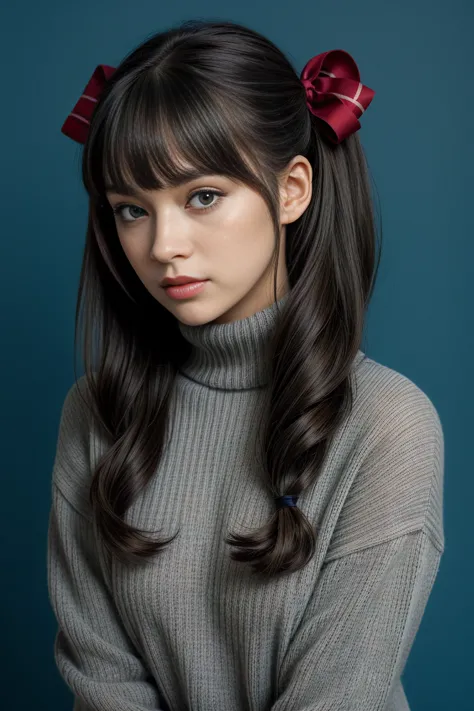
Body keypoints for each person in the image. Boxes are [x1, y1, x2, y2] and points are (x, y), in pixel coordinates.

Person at [47, 18, 445, 711]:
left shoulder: (387, 424)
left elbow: (338, 695)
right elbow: (102, 682)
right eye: (132, 209)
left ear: (292, 189)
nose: (165, 244)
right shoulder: (96, 411)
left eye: (202, 196)